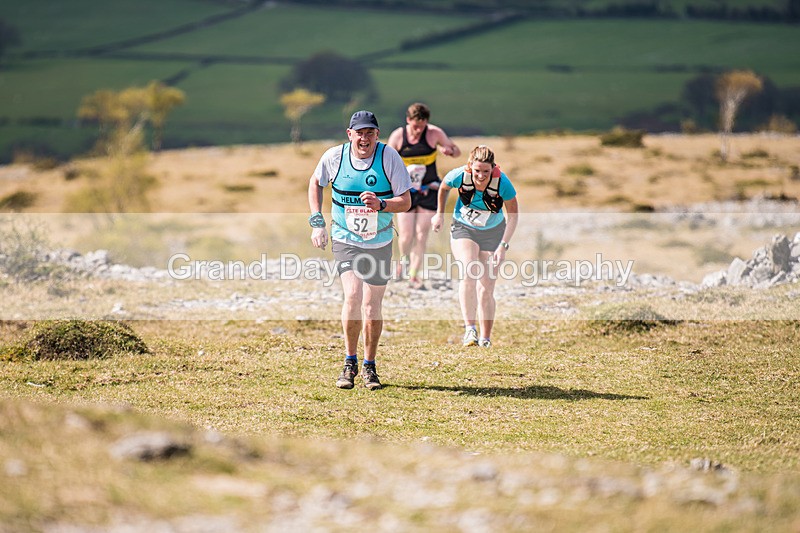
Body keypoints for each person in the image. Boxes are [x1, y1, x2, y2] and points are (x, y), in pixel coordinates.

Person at [308, 110, 412, 390]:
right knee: (353, 296)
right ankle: (349, 361)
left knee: (371, 305)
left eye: (370, 133)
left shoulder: (389, 157)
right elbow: (315, 183)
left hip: (379, 240)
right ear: (349, 134)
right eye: (360, 132)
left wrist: (382, 205)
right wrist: (317, 221)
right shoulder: (334, 157)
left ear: (377, 135)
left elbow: (405, 201)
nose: (364, 138)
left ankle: (370, 365)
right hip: (345, 238)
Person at [431, 145, 518, 348]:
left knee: (485, 288)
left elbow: (514, 214)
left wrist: (503, 245)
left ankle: (485, 338)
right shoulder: (460, 175)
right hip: (464, 228)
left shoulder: (502, 183)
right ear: (470, 166)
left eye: (486, 172)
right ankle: (470, 329)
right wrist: (439, 214)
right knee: (469, 272)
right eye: (477, 171)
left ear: (493, 168)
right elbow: (443, 187)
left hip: (494, 233)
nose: (481, 176)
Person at [387, 102, 460, 290]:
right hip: (405, 191)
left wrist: (449, 151)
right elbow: (386, 162)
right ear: (408, 120)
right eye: (415, 126)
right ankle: (402, 262)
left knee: (421, 234)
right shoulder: (398, 136)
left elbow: (456, 150)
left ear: (427, 122)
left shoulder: (434, 133)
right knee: (406, 235)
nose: (418, 130)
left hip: (429, 189)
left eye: (422, 125)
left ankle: (413, 275)